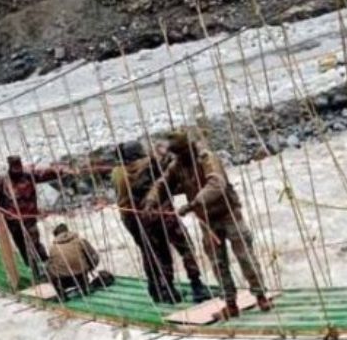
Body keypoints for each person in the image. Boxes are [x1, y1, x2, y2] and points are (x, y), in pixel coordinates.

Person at [143, 130, 272, 319]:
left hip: (229, 215)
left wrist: (193, 204)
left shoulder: (207, 158)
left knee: (245, 258)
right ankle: (230, 303)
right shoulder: (177, 166)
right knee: (218, 264)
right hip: (207, 222)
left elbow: (216, 184)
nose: (177, 157)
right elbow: (162, 184)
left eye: (179, 153)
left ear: (187, 148)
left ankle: (260, 296)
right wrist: (151, 200)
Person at [112, 141, 210, 304]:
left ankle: (165, 290)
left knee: (156, 252)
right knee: (184, 246)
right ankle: (197, 285)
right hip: (162, 213)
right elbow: (170, 175)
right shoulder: (150, 164)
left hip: (135, 219)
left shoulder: (117, 172)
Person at [0, 155, 59, 280]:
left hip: (29, 219)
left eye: (19, 167)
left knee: (34, 244)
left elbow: (45, 175)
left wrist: (60, 171)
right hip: (13, 221)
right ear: (10, 168)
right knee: (22, 246)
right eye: (15, 168)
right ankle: (35, 271)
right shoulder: (3, 184)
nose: (18, 170)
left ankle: (45, 268)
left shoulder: (29, 176)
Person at [46, 223, 100, 301]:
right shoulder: (80, 241)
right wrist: (90, 267)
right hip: (81, 276)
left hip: (64, 280)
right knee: (85, 259)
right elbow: (94, 256)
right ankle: (85, 287)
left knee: (48, 266)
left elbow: (51, 265)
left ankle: (61, 294)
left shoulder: (53, 248)